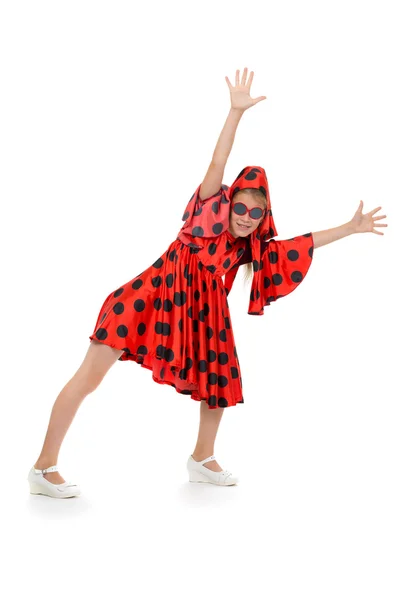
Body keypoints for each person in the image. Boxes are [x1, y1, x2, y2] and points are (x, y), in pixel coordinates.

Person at [27, 68, 387, 497]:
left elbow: (298, 245)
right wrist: (235, 113)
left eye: (255, 214)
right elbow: (218, 162)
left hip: (202, 313)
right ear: (227, 202)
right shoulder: (206, 213)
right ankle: (43, 467)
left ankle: (203, 458)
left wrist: (349, 228)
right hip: (146, 301)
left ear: (261, 218)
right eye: (240, 207)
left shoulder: (248, 248)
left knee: (220, 377)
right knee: (89, 377)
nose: (245, 217)